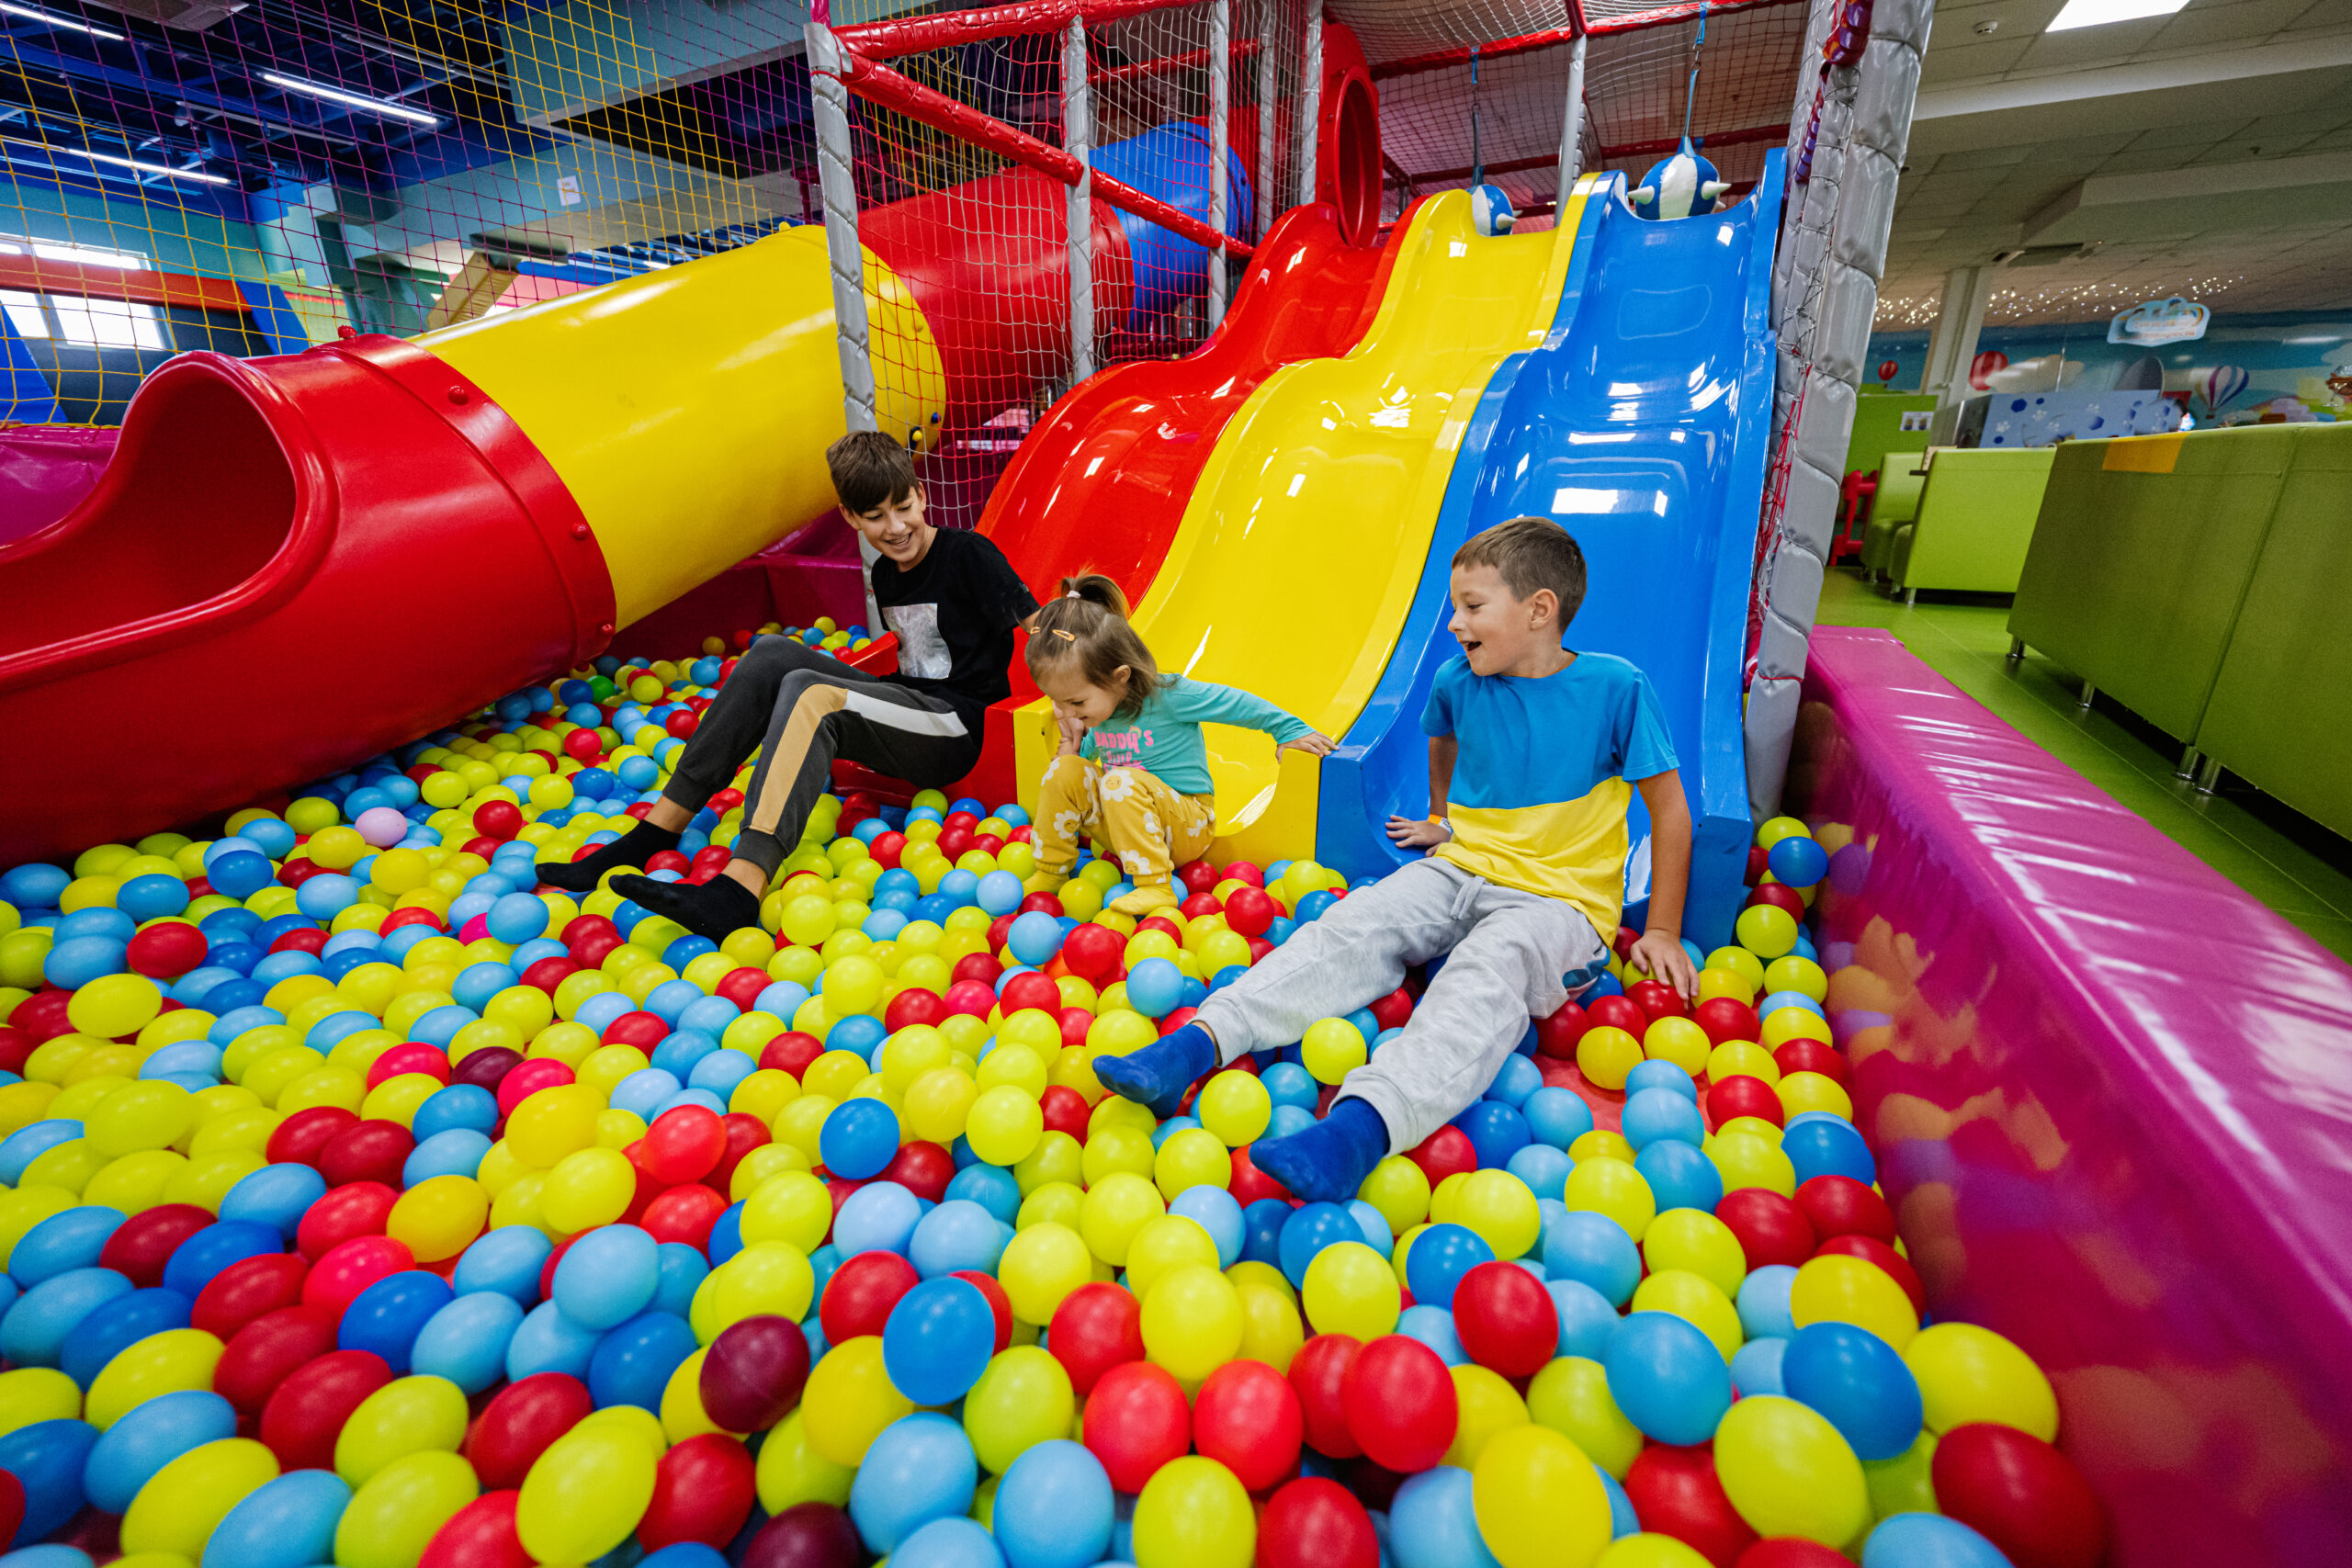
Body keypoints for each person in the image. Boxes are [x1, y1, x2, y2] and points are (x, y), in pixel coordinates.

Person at [1091, 516, 1701, 1201]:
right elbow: (1443, 738)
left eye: (1472, 607)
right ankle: (1197, 1042)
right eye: (1454, 608)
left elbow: (1671, 810)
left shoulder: (1616, 688)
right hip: (1462, 869)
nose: (1454, 624)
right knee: (1358, 920)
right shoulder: (1459, 678)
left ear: (1539, 610)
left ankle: (1360, 1128)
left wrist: (1663, 930)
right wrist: (1443, 820)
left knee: (1486, 968)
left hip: (1557, 904)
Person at [539, 431, 1040, 940]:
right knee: (772, 654)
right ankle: (653, 832)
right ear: (849, 517)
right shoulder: (888, 573)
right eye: (874, 518)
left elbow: (1041, 630)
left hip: (958, 727)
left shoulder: (968, 554)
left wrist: (1072, 703)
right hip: (911, 709)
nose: (896, 527)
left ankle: (738, 889)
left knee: (809, 690)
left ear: (921, 494)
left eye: (904, 507)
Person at [1026, 575, 1333, 917]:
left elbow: (1235, 703)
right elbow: (1083, 771)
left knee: (1120, 781)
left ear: (1120, 677)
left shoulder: (1169, 696)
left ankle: (1156, 886)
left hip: (1187, 825)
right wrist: (1073, 754)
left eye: (1077, 703)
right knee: (1065, 769)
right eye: (1058, 702)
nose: (1067, 713)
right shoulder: (1099, 714)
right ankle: (1051, 870)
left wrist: (1288, 730)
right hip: (1128, 829)